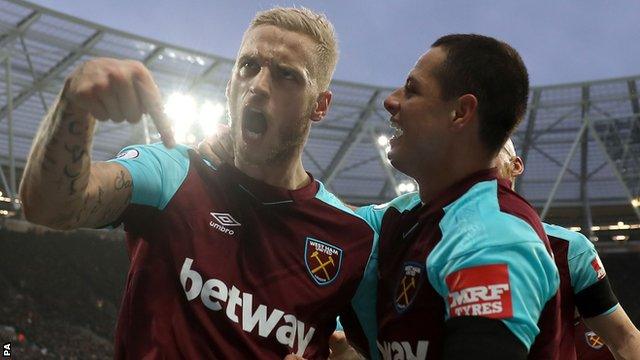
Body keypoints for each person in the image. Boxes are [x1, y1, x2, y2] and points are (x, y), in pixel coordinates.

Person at [19, 8, 378, 359]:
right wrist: (73, 105)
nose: (258, 86)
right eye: (248, 66)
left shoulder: (350, 234)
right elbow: (49, 207)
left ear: (320, 105)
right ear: (229, 84)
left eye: (286, 75)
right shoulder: (174, 170)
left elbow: (377, 347)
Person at [200, 34, 561, 359]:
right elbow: (316, 222)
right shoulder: (402, 218)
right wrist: (246, 157)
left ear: (460, 113)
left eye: (412, 90)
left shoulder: (492, 240)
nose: (391, 101)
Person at [495, 138, 640, 360]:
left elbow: (624, 339)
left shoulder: (569, 249)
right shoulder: (431, 242)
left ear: (515, 165)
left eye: (490, 149)